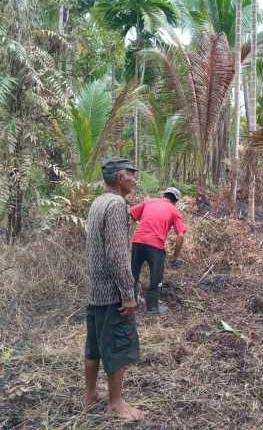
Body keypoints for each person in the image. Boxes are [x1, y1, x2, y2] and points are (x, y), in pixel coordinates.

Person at [84, 157, 143, 421]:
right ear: (120, 177)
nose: (134, 179)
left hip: (95, 289)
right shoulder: (117, 204)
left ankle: (89, 395)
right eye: (132, 174)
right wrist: (128, 294)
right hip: (112, 293)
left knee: (94, 345)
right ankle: (116, 404)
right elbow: (117, 254)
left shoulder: (98, 202)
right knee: (117, 346)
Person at [129, 187, 187, 315]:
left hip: (137, 242)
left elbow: (131, 214)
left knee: (133, 275)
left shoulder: (148, 202)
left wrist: (131, 235)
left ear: (164, 195)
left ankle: (130, 304)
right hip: (155, 246)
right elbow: (181, 235)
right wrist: (175, 257)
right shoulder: (174, 211)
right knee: (156, 278)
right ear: (175, 201)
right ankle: (152, 308)